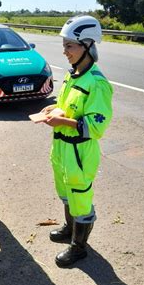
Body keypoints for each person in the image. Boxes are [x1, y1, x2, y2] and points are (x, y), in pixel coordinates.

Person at [39, 15, 113, 267]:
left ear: (88, 46)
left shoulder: (97, 84)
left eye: (70, 45)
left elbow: (96, 126)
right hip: (61, 148)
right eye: (65, 45)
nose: (65, 51)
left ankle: (79, 247)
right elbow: (64, 106)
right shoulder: (73, 76)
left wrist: (64, 122)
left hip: (79, 152)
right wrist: (53, 112)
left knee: (80, 197)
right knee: (65, 192)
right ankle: (70, 229)